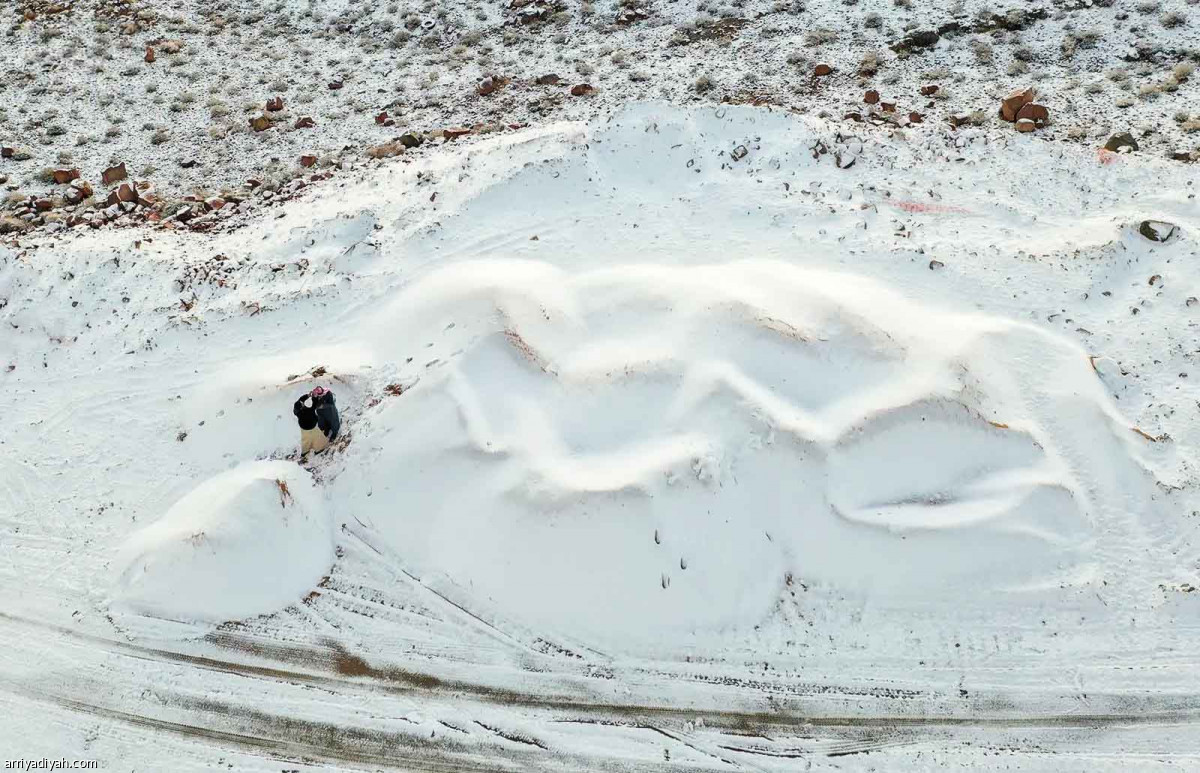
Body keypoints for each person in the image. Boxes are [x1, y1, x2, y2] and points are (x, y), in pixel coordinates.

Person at [294, 386, 340, 455]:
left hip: (304, 428)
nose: (303, 403)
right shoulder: (307, 412)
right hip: (311, 428)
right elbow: (314, 406)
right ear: (301, 408)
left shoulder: (296, 410)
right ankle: (319, 448)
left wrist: (308, 395)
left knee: (305, 440)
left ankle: (305, 451)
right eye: (302, 404)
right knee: (318, 439)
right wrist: (314, 398)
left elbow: (301, 400)